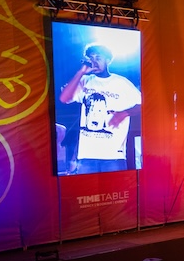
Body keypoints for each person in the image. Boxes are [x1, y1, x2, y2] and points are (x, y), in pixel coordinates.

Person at [59, 43, 141, 174]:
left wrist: (125, 113)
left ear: (108, 60)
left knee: (115, 193)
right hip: (86, 156)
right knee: (87, 193)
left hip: (113, 156)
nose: (94, 62)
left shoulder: (121, 83)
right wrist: (80, 73)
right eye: (91, 58)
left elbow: (143, 104)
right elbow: (64, 99)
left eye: (98, 58)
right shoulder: (84, 80)